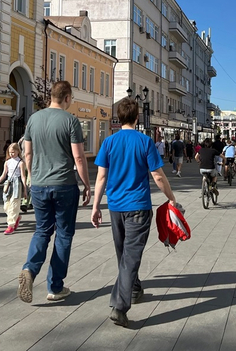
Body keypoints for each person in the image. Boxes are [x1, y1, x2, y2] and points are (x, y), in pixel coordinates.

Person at [92, 98, 176, 327]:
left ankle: (135, 288)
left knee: (124, 254)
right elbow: (157, 175)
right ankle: (120, 307)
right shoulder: (145, 141)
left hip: (116, 207)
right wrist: (171, 198)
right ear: (137, 118)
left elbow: (101, 177)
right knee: (130, 256)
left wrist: (96, 206)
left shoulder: (108, 142)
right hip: (138, 206)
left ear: (119, 119)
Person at [18, 81, 91, 304]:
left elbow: (27, 154)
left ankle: (30, 270)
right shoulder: (71, 121)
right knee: (64, 234)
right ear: (67, 97)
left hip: (39, 184)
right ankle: (55, 287)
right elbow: (78, 158)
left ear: (51, 96)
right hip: (64, 185)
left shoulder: (34, 119)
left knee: (42, 231)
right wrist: (87, 184)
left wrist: (32, 177)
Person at [0, 142, 28, 235]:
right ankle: (16, 217)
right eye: (10, 152)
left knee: (14, 205)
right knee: (6, 206)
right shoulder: (7, 162)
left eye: (13, 152)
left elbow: (23, 176)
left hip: (17, 184)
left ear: (18, 151)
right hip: (8, 184)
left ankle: (11, 225)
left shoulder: (21, 162)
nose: (11, 154)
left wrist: (25, 189)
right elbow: (3, 175)